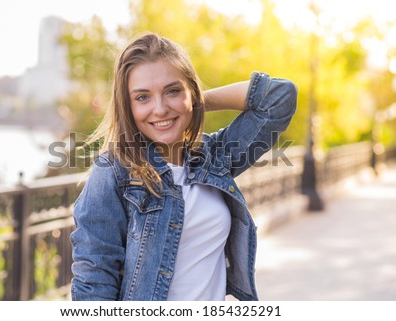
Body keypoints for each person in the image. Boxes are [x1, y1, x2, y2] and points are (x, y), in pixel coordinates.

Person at [70, 32, 297, 301]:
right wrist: (183, 102)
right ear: (127, 106)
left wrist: (193, 105)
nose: (160, 109)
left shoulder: (214, 157)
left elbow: (279, 98)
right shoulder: (113, 171)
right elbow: (93, 284)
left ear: (192, 91)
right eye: (143, 97)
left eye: (172, 91)